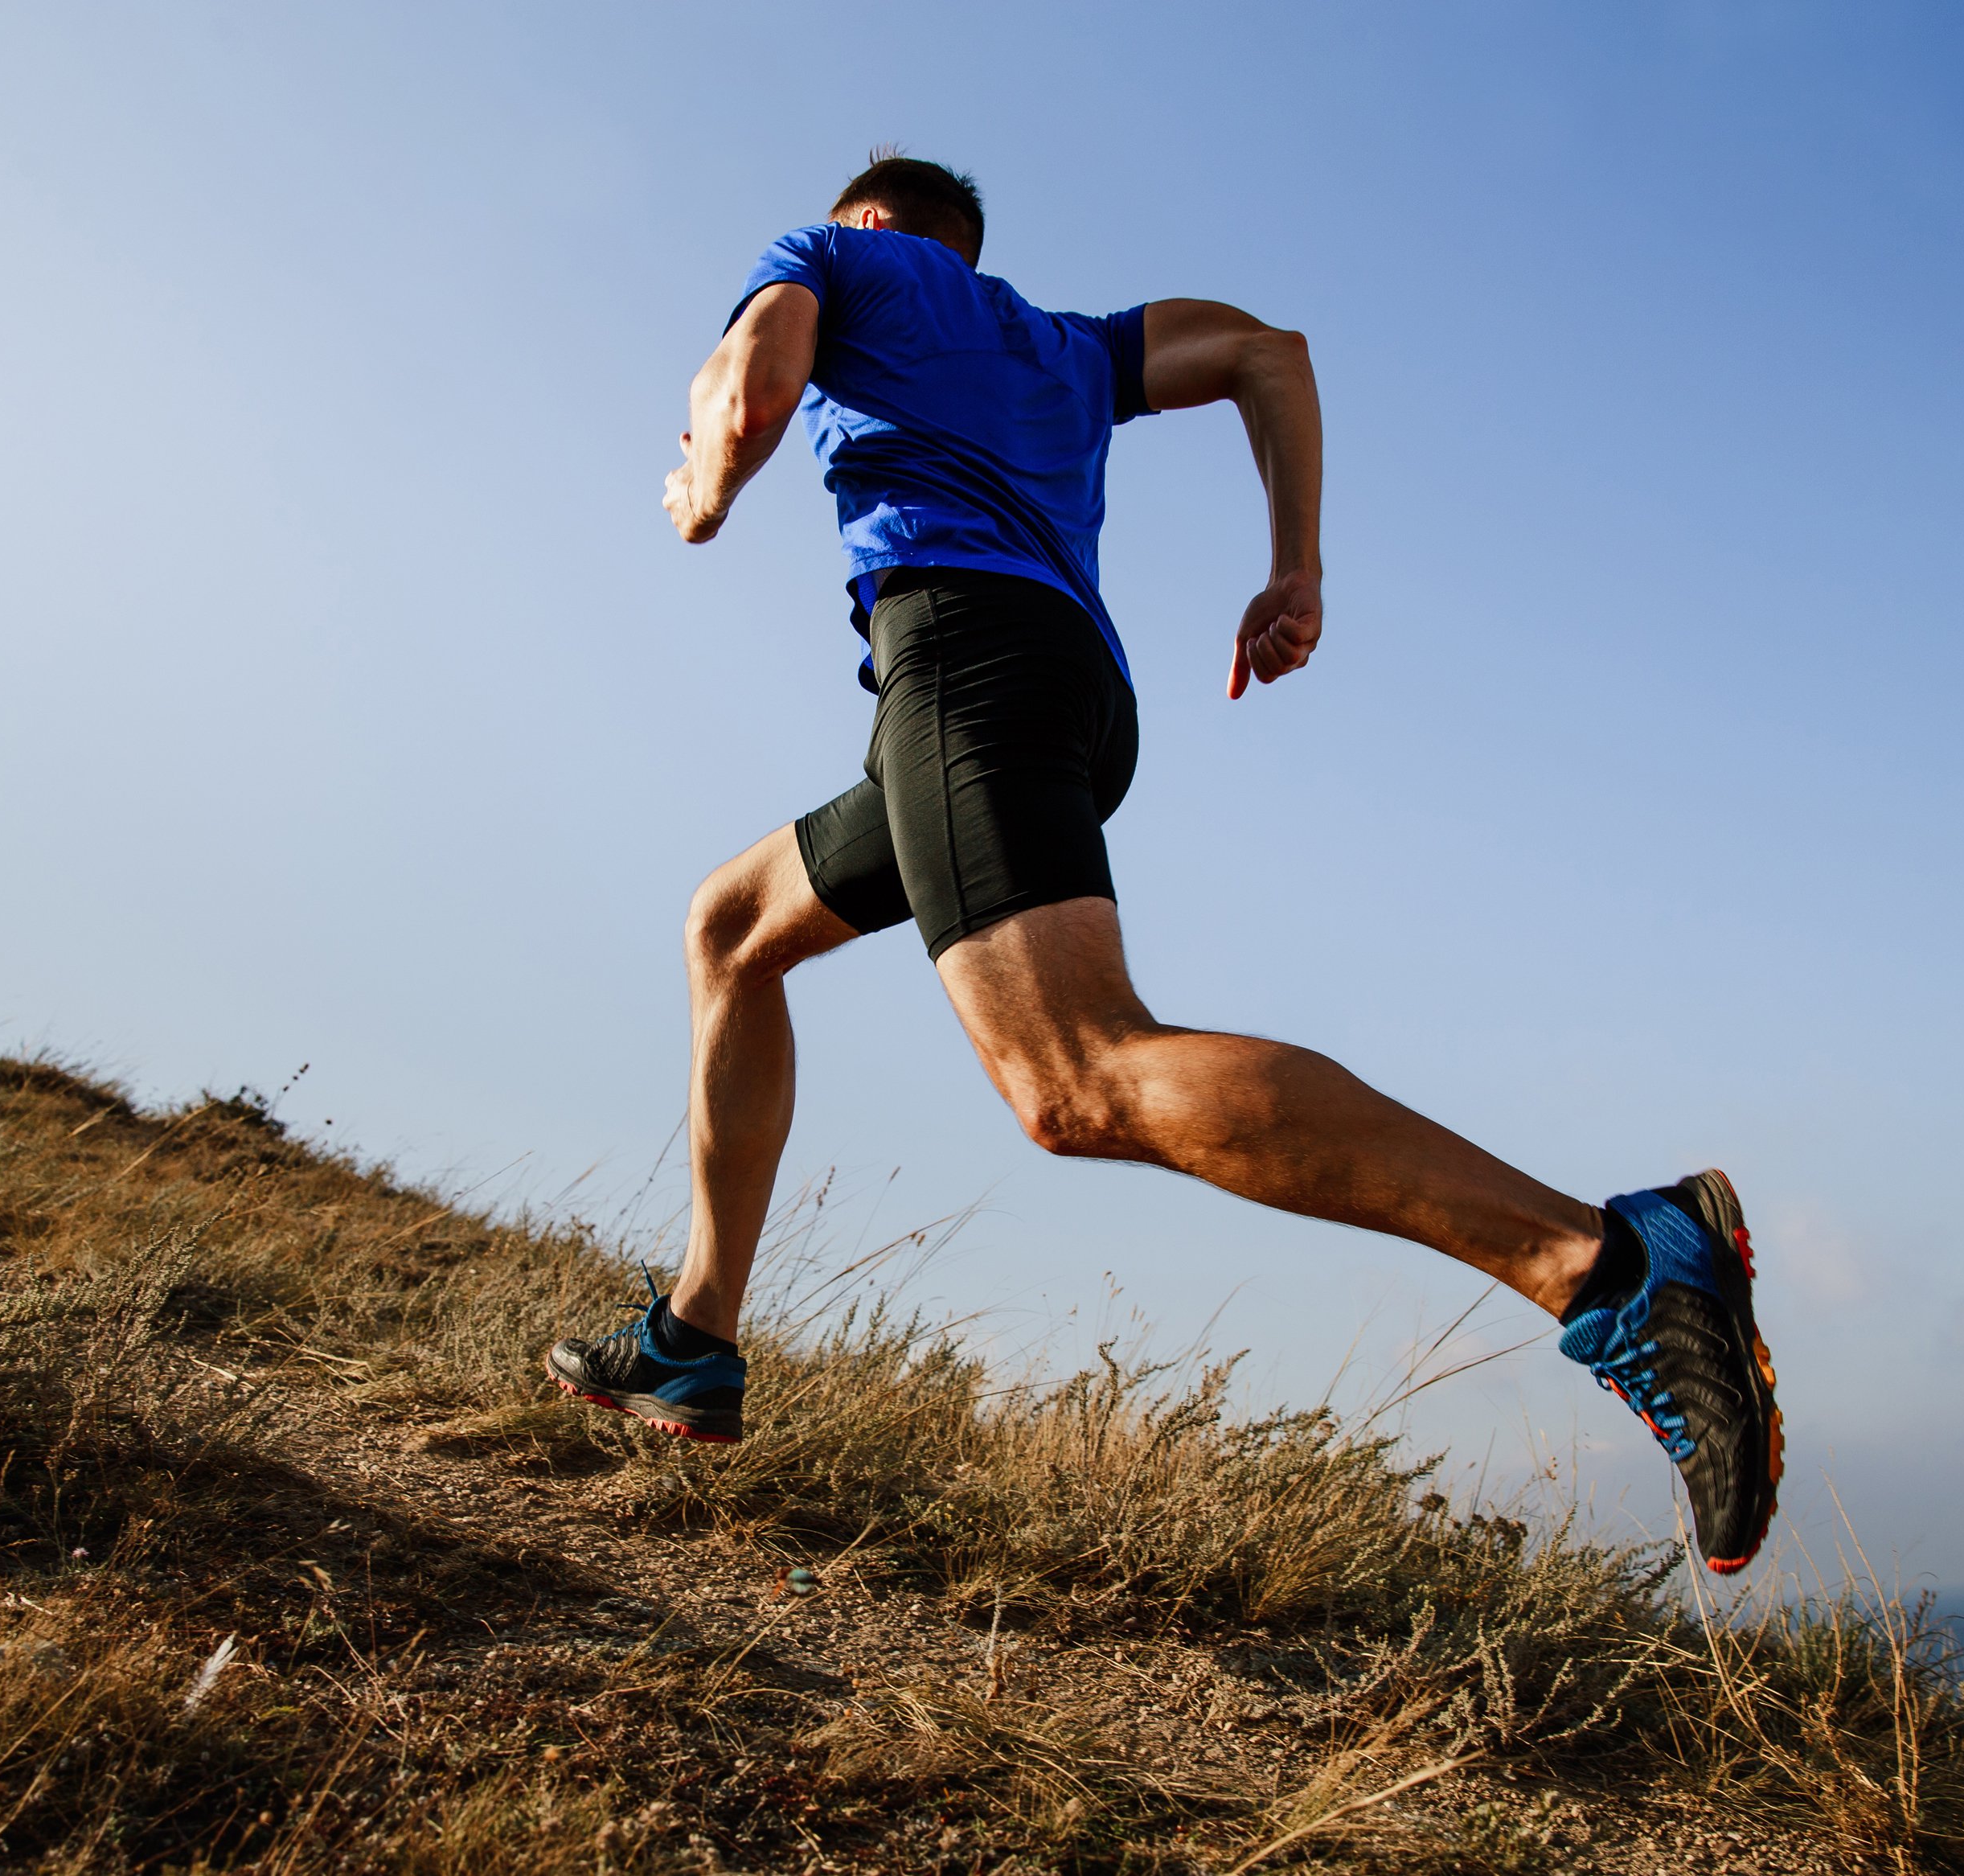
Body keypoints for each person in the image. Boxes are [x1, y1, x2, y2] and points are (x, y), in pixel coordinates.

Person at [547, 157, 1782, 1571]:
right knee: (731, 928)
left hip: (967, 668)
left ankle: (1607, 1264)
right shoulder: (1070, 346)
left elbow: (750, 389)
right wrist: (1298, 565)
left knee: (1073, 1076)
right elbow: (1271, 354)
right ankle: (697, 1333)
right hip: (1067, 695)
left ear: (870, 221)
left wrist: (704, 487)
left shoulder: (835, 255)